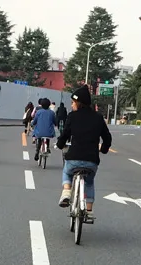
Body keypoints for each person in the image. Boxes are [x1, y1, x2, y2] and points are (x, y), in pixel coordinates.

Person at [55, 86, 111, 222]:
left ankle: (67, 191)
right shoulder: (98, 118)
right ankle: (89, 210)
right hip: (92, 160)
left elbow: (64, 135)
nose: (72, 105)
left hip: (74, 158)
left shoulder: (72, 116)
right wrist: (103, 149)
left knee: (67, 172)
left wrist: (60, 145)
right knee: (89, 182)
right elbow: (107, 138)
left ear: (79, 103)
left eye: (73, 102)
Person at [31, 97, 57, 161]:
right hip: (49, 132)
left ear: (41, 105)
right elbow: (55, 122)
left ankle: (37, 151)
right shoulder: (52, 113)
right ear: (49, 105)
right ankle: (47, 148)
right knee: (47, 137)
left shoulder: (38, 112)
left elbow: (34, 122)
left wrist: (32, 124)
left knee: (39, 139)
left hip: (39, 132)